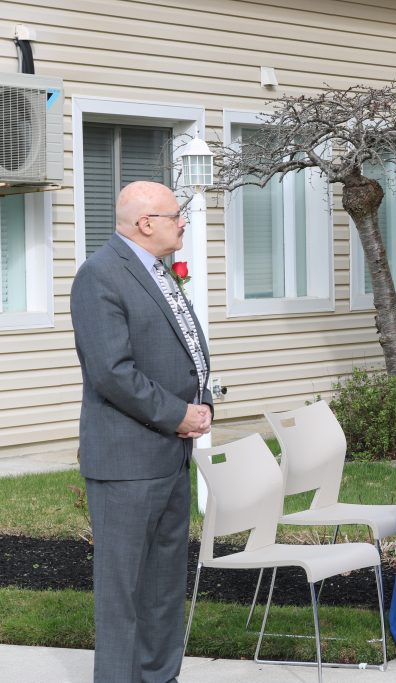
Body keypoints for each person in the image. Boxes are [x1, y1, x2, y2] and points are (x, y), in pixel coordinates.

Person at [70, 181, 213, 682]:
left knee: (163, 586)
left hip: (169, 458)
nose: (184, 222)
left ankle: (160, 677)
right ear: (146, 223)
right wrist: (178, 414)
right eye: (177, 215)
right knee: (123, 592)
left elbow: (183, 347)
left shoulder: (158, 271)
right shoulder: (100, 275)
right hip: (126, 462)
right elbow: (111, 372)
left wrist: (201, 400)